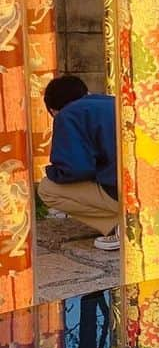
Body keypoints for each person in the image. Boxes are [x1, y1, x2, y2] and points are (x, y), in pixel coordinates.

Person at [37, 75, 120, 251]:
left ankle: (123, 225)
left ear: (53, 111)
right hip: (156, 190)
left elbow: (76, 170)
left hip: (121, 193)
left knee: (47, 188)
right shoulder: (113, 102)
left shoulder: (68, 115)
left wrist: (53, 171)